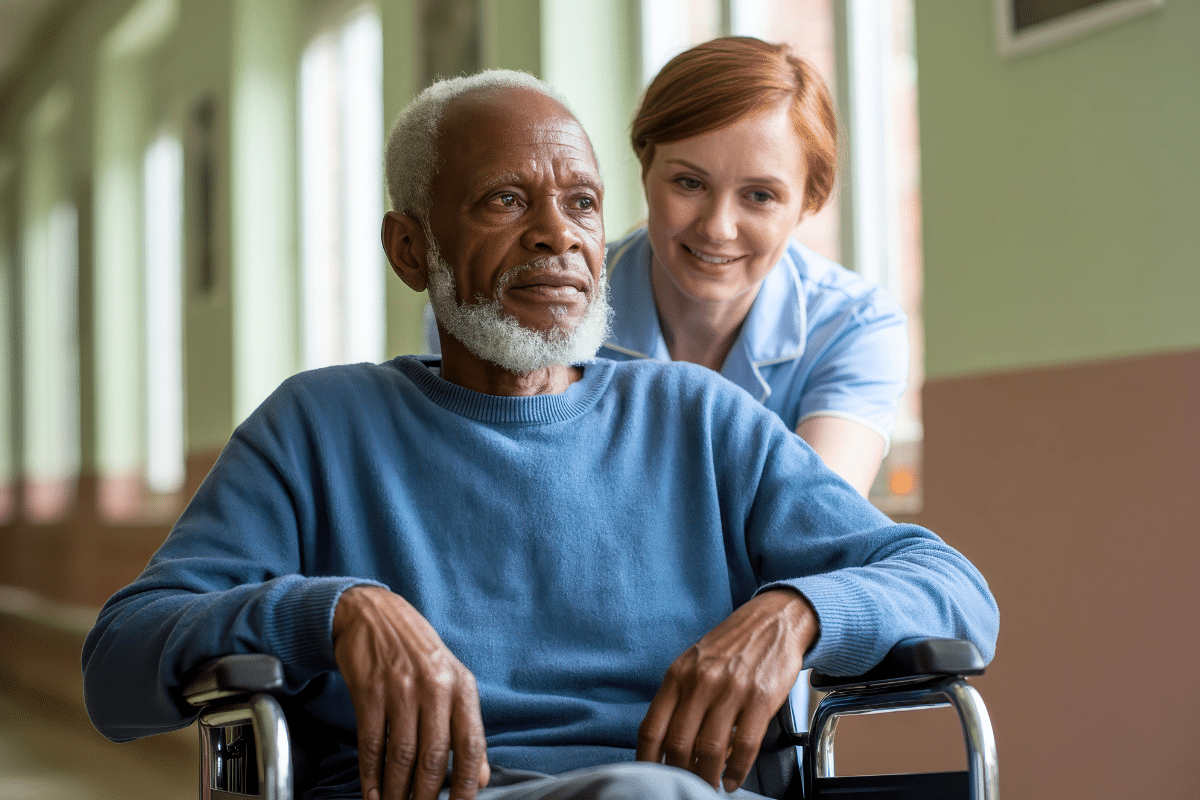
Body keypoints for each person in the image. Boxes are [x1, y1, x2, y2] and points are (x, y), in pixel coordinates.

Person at [83, 70, 997, 800]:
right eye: (505, 202)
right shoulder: (319, 427)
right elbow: (118, 664)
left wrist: (798, 610)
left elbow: (957, 592)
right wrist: (329, 611)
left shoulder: (698, 418)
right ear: (411, 249)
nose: (557, 236)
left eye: (583, 204)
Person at [600, 37, 907, 496]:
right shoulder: (546, 299)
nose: (718, 228)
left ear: (809, 202)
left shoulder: (853, 327)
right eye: (689, 182)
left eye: (760, 196)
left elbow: (810, 528)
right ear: (645, 168)